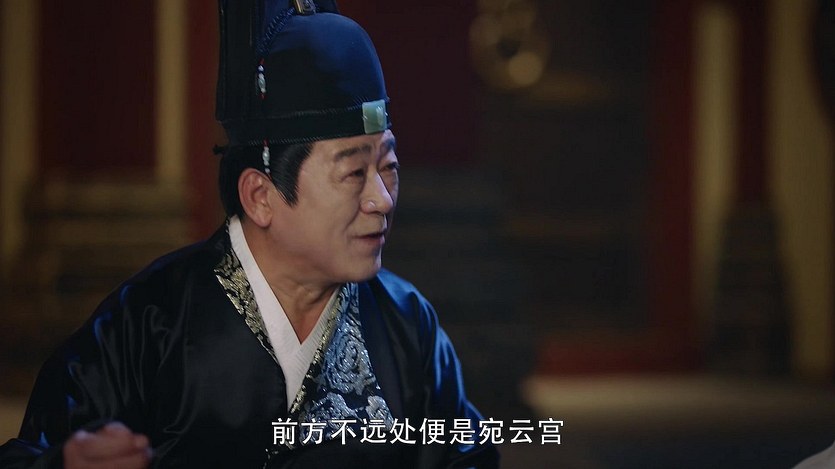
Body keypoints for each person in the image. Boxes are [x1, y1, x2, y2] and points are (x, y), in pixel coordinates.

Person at [0, 0, 499, 467]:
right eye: (353, 173)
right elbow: (32, 452)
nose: (382, 199)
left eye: (388, 168)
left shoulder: (405, 323)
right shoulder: (150, 325)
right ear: (260, 195)